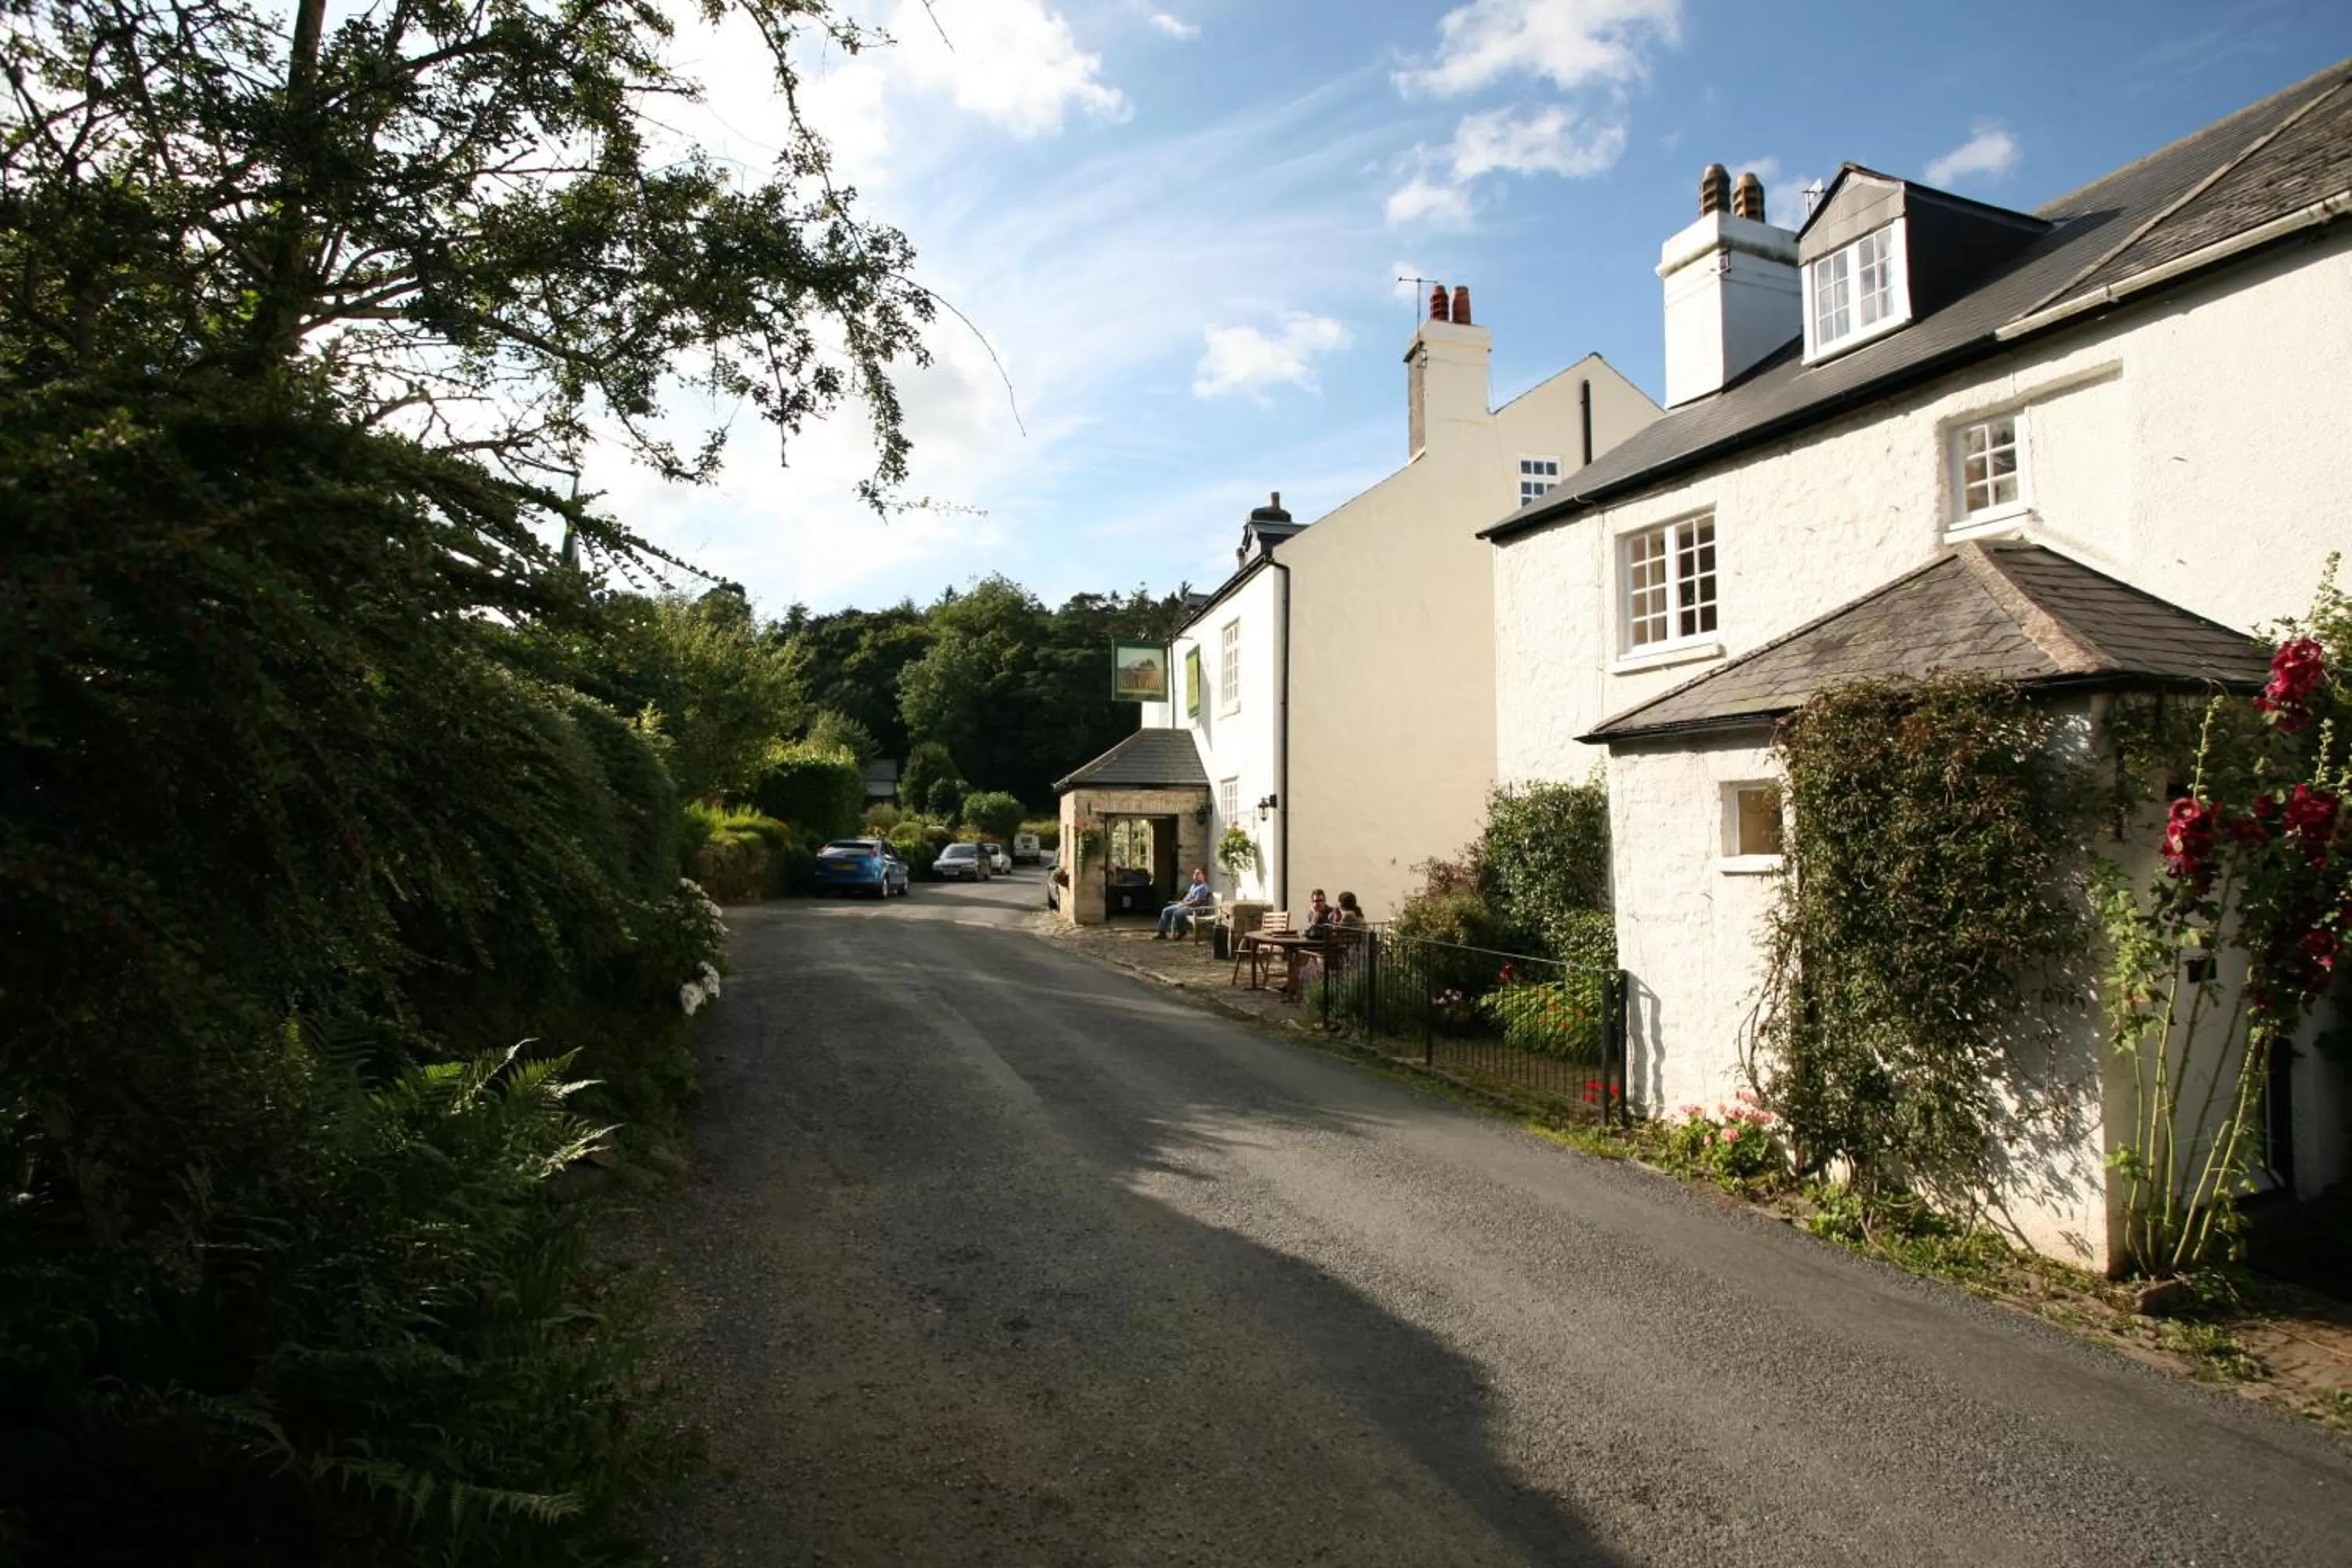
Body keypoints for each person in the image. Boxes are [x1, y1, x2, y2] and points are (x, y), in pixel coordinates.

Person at [1156, 867, 1214, 938]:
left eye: (1198, 874)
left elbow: (1197, 902)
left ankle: (1182, 931)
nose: (1195, 875)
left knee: (1178, 913)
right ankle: (1162, 933)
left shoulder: (1203, 887)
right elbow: (1188, 896)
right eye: (1195, 873)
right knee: (1166, 910)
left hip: (1195, 908)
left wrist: (1185, 904)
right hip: (1186, 905)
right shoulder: (1194, 886)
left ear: (1203, 876)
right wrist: (1181, 902)